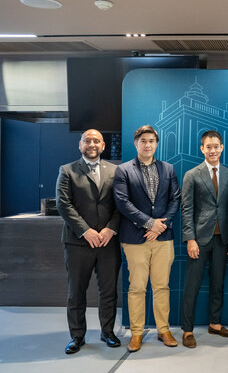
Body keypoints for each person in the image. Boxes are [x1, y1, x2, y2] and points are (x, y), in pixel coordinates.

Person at [113, 125, 181, 352]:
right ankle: (136, 334)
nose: (148, 144)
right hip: (135, 238)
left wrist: (160, 226)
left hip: (163, 238)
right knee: (137, 288)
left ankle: (164, 330)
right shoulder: (123, 170)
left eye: (152, 141)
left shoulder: (169, 169)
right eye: (143, 141)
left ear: (157, 143)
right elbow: (123, 203)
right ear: (136, 143)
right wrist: (150, 223)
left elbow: (175, 200)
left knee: (162, 286)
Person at [56, 129, 121, 354]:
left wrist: (111, 229)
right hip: (78, 243)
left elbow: (121, 204)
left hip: (108, 242)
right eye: (87, 141)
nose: (91, 144)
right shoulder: (67, 171)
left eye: (96, 141)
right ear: (80, 145)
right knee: (76, 292)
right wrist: (86, 231)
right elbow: (63, 204)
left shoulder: (116, 170)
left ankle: (108, 332)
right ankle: (77, 336)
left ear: (103, 145)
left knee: (109, 291)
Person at [180, 130, 228, 348]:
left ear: (221, 148)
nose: (213, 150)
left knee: (218, 283)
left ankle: (215, 324)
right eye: (208, 147)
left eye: (216, 146)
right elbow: (186, 209)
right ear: (202, 149)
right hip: (199, 240)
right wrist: (190, 239)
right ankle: (187, 330)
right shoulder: (192, 174)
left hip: (222, 239)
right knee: (192, 286)